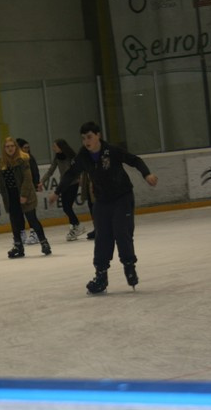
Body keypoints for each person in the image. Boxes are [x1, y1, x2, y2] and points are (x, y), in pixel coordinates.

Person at [49, 122, 158, 294]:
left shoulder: (112, 151)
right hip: (102, 200)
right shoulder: (83, 156)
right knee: (102, 237)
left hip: (122, 197)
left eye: (89, 137)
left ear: (98, 135)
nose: (86, 141)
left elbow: (135, 160)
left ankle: (129, 266)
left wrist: (147, 174)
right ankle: (101, 276)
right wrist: (57, 192)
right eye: (83, 138)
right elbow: (71, 173)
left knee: (122, 232)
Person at [0, 137, 51, 258]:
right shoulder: (3, 162)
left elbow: (27, 179)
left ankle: (44, 243)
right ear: (4, 149)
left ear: (16, 147)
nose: (10, 149)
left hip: (26, 195)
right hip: (11, 196)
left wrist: (23, 195)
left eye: (12, 146)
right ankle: (18, 246)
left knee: (32, 219)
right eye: (7, 146)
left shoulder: (23, 160)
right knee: (15, 222)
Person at [40, 139, 87, 241]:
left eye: (55, 146)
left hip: (73, 183)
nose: (53, 148)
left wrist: (80, 178)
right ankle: (75, 226)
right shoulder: (57, 157)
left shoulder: (71, 156)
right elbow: (50, 171)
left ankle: (77, 225)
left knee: (67, 207)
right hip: (64, 184)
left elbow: (79, 168)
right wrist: (42, 181)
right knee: (66, 207)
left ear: (61, 147)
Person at [15, 138, 40, 245]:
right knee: (19, 214)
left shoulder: (30, 158)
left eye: (28, 148)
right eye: (25, 148)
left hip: (29, 189)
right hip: (18, 190)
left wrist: (36, 184)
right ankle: (21, 233)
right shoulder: (16, 160)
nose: (27, 150)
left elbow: (35, 172)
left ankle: (35, 232)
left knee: (30, 213)